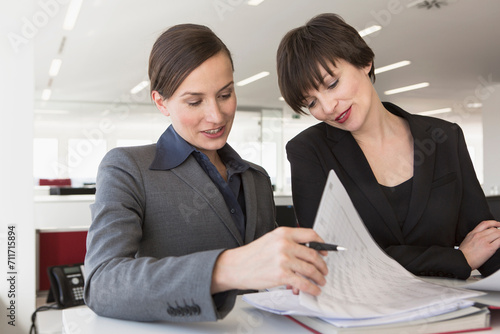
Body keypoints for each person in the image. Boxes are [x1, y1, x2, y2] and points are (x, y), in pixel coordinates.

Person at [84, 23, 328, 322]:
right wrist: (226, 268)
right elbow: (103, 284)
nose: (216, 115)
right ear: (162, 102)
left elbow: (267, 279)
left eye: (225, 94)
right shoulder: (127, 168)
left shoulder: (256, 178)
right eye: (195, 101)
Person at [276, 13, 500, 280]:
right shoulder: (309, 151)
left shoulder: (444, 137)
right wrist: (457, 259)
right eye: (311, 103)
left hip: (452, 309)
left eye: (332, 84)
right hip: (361, 312)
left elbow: (485, 239)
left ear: (364, 62)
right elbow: (331, 256)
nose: (327, 107)